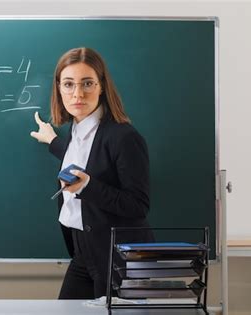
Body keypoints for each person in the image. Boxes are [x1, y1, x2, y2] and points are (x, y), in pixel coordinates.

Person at [30, 47, 153, 299]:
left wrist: (88, 187)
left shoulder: (125, 137)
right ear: (59, 89)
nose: (77, 93)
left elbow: (138, 205)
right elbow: (84, 157)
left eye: (87, 83)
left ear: (102, 86)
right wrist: (53, 141)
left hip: (117, 258)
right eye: (68, 84)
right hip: (83, 254)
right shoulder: (75, 133)